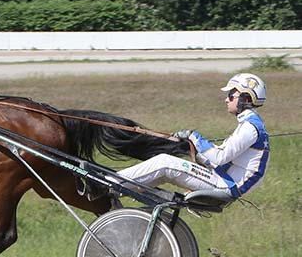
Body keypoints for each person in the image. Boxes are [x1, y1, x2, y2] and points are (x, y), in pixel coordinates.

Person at [116, 73, 270, 199]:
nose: (226, 99)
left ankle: (110, 182)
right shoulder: (249, 125)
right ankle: (115, 192)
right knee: (163, 171)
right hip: (224, 180)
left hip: (225, 185)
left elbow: (221, 157)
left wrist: (194, 137)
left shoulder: (250, 128)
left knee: (164, 162)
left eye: (231, 96)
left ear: (246, 100)